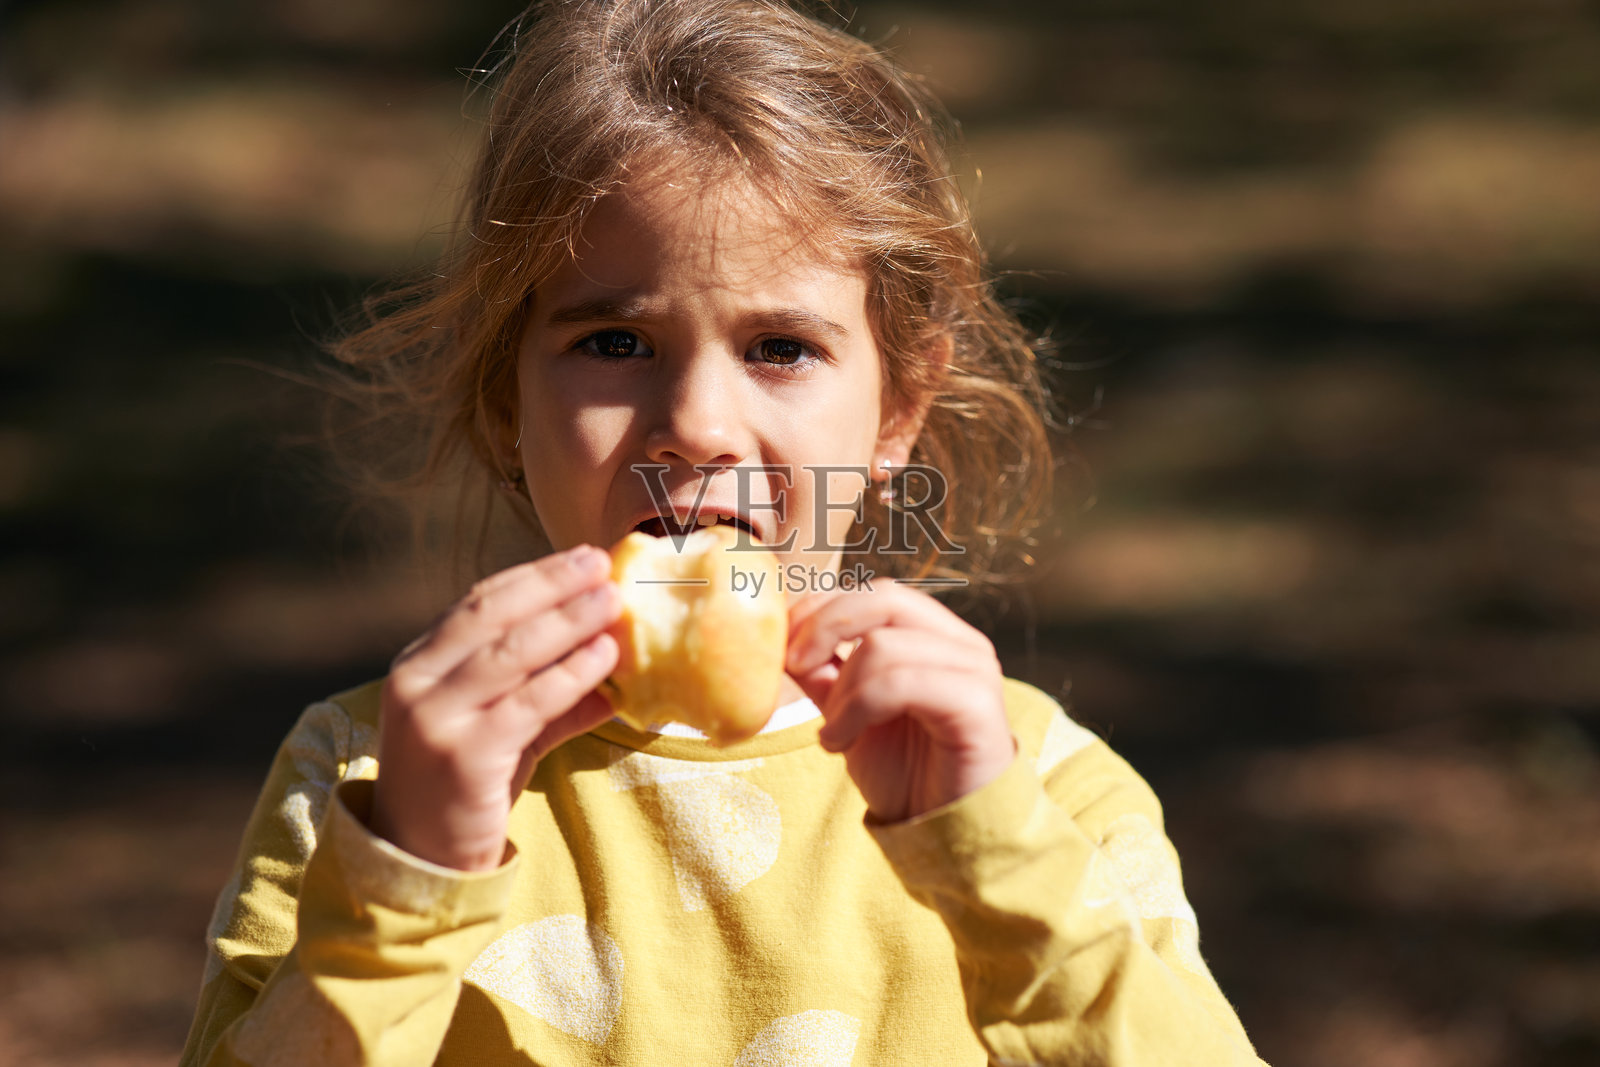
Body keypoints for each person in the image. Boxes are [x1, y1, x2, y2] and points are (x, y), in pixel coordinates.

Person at [182, 0, 1267, 1063]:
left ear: (898, 407)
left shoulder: (1037, 784)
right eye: (615, 343)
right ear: (506, 396)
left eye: (780, 348)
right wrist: (407, 877)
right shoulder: (378, 774)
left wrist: (994, 856)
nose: (697, 426)